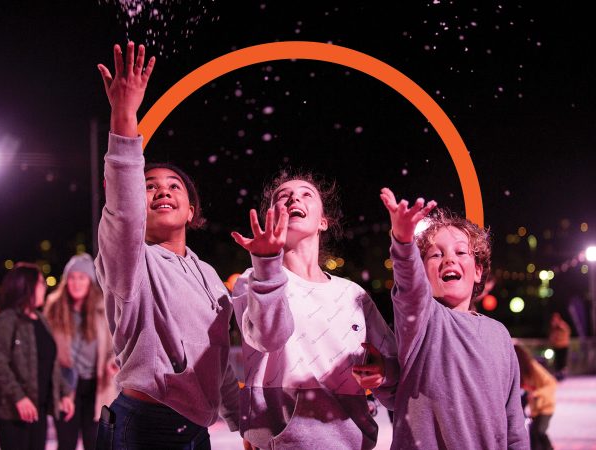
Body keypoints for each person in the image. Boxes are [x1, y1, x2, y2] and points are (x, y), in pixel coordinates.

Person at [95, 42, 240, 449]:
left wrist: (247, 424)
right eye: (150, 186)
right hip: (146, 426)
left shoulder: (209, 275)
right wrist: (124, 117)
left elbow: (220, 362)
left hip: (195, 430)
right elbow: (122, 214)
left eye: (174, 186)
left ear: (192, 209)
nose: (163, 190)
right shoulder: (130, 261)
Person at [231, 170, 398, 449]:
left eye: (306, 194)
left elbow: (394, 373)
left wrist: (382, 373)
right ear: (270, 219)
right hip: (280, 443)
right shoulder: (252, 281)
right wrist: (267, 264)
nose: (294, 197)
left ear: (323, 221)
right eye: (282, 196)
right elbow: (269, 338)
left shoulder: (353, 295)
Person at [379, 188, 529, 450]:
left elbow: (513, 421)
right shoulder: (422, 322)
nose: (449, 259)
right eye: (436, 255)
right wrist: (403, 242)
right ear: (423, 274)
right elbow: (409, 286)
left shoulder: (499, 334)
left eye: (461, 252)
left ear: (478, 271)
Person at [0, 263, 75, 450]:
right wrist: (19, 398)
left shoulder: (40, 319)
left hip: (38, 410)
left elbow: (51, 363)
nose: (44, 287)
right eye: (40, 282)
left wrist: (64, 393)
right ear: (26, 285)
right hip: (13, 413)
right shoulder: (7, 319)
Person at [44, 254, 118, 450]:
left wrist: (113, 362)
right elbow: (46, 352)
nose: (76, 283)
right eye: (72, 277)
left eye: (82, 278)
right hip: (66, 386)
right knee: (66, 442)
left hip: (98, 386)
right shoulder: (53, 309)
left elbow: (116, 346)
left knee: (94, 442)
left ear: (90, 281)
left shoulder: (103, 309)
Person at [513, 344, 556, 450]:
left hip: (546, 406)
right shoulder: (521, 370)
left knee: (539, 431)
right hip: (535, 409)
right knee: (533, 434)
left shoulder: (532, 366)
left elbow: (552, 383)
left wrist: (536, 393)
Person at [549, 312, 571, 380]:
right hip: (556, 346)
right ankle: (558, 374)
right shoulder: (553, 327)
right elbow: (552, 336)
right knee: (557, 361)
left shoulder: (562, 324)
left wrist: (558, 325)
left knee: (562, 361)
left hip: (563, 345)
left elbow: (567, 332)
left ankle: (563, 373)